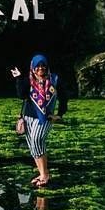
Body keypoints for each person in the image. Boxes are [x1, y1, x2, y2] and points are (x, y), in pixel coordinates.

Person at [10, 54, 67, 188]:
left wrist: (59, 114)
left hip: (45, 118)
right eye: (37, 66)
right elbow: (21, 95)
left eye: (43, 65)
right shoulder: (28, 80)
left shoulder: (55, 79)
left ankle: (45, 174)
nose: (40, 68)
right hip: (28, 117)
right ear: (33, 68)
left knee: (37, 140)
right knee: (33, 146)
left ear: (47, 67)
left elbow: (64, 97)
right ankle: (42, 174)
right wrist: (18, 78)